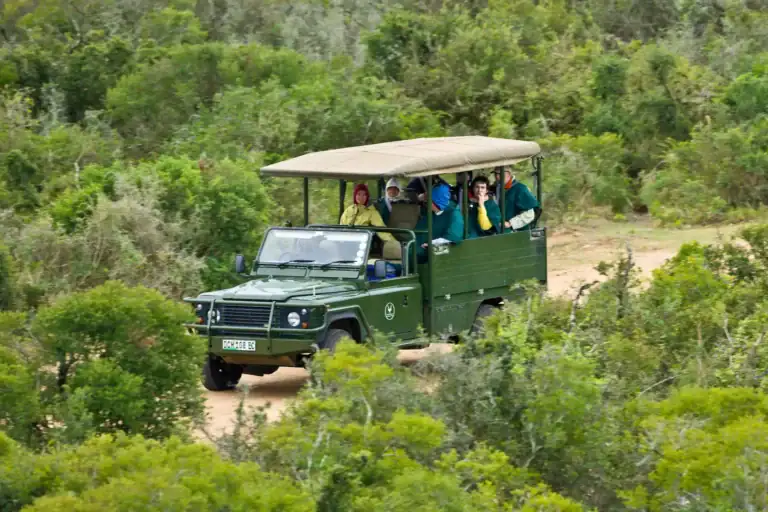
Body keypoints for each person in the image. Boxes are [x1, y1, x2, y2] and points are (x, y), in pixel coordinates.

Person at [414, 182, 464, 262]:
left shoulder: (453, 213)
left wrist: (431, 244)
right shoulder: (431, 213)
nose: (426, 202)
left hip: (446, 255)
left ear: (435, 202)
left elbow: (454, 237)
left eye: (428, 200)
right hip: (424, 251)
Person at [493, 166, 539, 232]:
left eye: (500, 174)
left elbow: (530, 215)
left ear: (509, 174)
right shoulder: (497, 188)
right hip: (501, 231)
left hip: (517, 233)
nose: (497, 176)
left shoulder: (520, 189)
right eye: (495, 174)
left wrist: (511, 223)